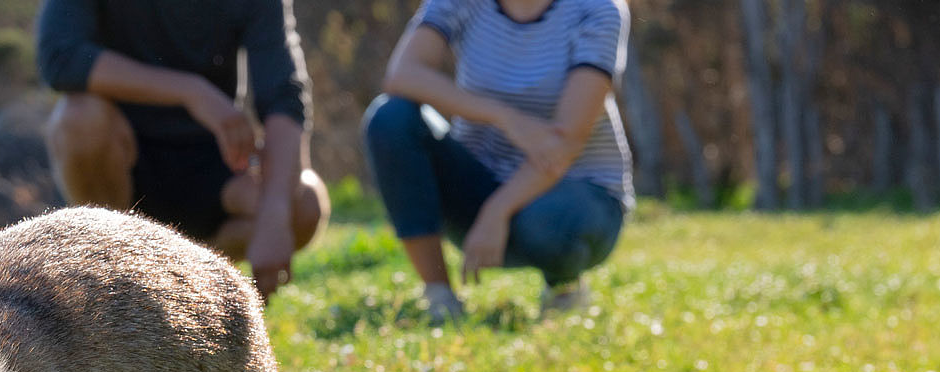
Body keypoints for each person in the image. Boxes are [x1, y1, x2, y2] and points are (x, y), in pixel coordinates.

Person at [36, 0, 330, 300]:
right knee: (78, 119)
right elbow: (61, 56)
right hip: (121, 155)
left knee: (303, 204)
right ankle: (115, 273)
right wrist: (191, 92)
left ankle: (188, 283)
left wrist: (275, 215)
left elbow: (284, 96)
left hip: (217, 158)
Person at [363, 0, 633, 322]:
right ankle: (439, 297)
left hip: (577, 194)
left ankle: (563, 284)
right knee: (390, 117)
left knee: (547, 222)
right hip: (482, 183)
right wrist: (504, 117)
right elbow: (403, 74)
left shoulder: (598, 8)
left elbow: (566, 142)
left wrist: (497, 210)